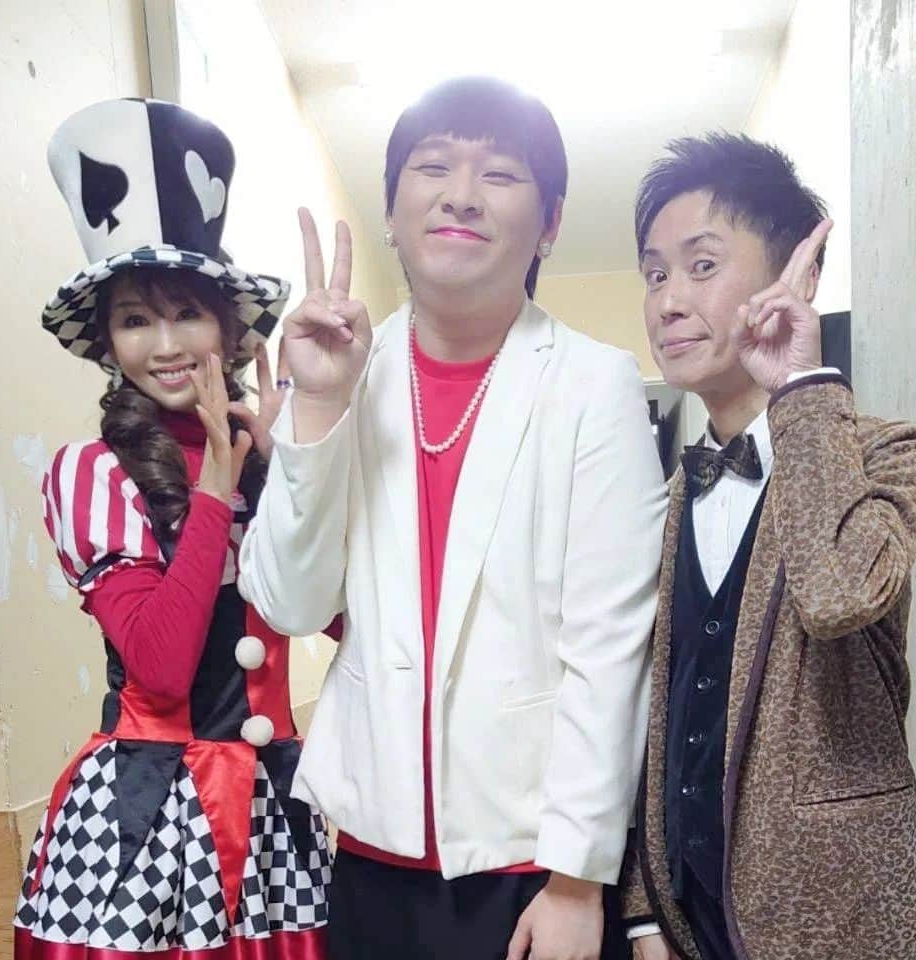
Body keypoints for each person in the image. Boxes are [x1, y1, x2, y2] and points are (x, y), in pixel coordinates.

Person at [238, 75, 668, 960]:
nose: (461, 195)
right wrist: (316, 405)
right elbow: (288, 603)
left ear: (549, 222)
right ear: (392, 212)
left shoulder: (594, 384)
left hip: (530, 865)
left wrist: (577, 881)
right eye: (433, 167)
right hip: (369, 855)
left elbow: (609, 648)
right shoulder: (347, 371)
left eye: (500, 175)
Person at [14, 98, 331, 960]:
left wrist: (294, 469)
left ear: (228, 326)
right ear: (108, 341)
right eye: (133, 319)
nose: (164, 345)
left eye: (187, 312)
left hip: (273, 817)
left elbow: (343, 622)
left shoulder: (269, 456)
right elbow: (157, 670)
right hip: (142, 827)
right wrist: (217, 491)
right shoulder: (92, 471)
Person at [621, 132, 916, 960]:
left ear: (801, 274)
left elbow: (836, 595)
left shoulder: (888, 453)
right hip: (687, 926)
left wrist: (800, 384)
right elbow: (653, 709)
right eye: (655, 274)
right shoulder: (671, 495)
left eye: (702, 265)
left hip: (836, 924)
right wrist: (644, 912)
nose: (668, 301)